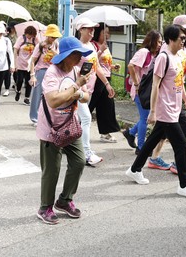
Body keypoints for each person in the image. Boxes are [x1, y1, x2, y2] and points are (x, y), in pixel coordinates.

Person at [125, 24, 186, 199]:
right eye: (181, 38)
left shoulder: (177, 56)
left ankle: (134, 169)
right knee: (181, 144)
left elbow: (177, 81)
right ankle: (184, 185)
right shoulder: (163, 57)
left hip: (176, 107)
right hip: (165, 108)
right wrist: (153, 111)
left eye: (184, 38)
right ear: (171, 39)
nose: (184, 41)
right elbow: (155, 85)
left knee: (152, 140)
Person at [36, 36, 92, 225]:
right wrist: (76, 86)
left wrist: (80, 92)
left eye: (81, 54)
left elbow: (86, 98)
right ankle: (45, 208)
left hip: (70, 126)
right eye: (76, 54)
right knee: (52, 170)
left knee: (78, 162)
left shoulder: (77, 70)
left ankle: (64, 200)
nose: (80, 58)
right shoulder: (52, 73)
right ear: (66, 56)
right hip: (52, 128)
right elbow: (53, 100)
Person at [148, 14, 186, 173]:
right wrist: (153, 110)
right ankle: (179, 168)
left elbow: (179, 78)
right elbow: (159, 80)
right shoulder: (166, 50)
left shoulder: (182, 49)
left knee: (160, 133)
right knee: (180, 131)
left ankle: (148, 161)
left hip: (174, 98)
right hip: (166, 100)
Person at [75, 17, 113, 166]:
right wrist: (79, 82)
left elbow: (96, 67)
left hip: (88, 89)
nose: (92, 32)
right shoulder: (76, 46)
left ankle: (67, 146)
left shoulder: (91, 46)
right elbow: (70, 67)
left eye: (93, 29)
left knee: (76, 120)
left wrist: (107, 84)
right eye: (89, 29)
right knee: (85, 118)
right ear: (81, 30)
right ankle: (86, 153)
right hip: (77, 88)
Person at [123, 30, 163, 153]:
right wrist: (136, 84)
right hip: (140, 91)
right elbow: (131, 66)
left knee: (144, 118)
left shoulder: (153, 55)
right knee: (145, 118)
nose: (160, 45)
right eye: (158, 42)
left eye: (161, 42)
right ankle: (141, 147)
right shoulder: (144, 52)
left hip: (146, 91)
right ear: (152, 41)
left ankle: (130, 133)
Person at [89, 23, 122, 143]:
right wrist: (99, 51)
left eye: (108, 33)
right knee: (90, 105)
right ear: (99, 33)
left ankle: (105, 132)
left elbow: (105, 63)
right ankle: (77, 129)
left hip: (107, 78)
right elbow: (92, 61)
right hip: (97, 79)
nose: (108, 35)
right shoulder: (93, 45)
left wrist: (113, 66)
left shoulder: (105, 46)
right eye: (105, 32)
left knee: (107, 106)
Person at [29, 24, 62, 125]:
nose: (54, 39)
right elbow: (33, 61)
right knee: (37, 94)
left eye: (55, 37)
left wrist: (51, 50)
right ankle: (35, 117)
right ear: (47, 35)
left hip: (53, 71)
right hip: (41, 71)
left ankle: (49, 117)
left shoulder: (56, 45)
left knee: (51, 94)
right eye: (52, 37)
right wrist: (32, 75)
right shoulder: (39, 46)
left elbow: (59, 58)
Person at [14, 25, 37, 104]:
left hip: (30, 64)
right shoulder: (21, 38)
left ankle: (27, 97)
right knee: (19, 80)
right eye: (29, 35)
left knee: (29, 82)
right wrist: (15, 64)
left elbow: (39, 48)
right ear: (26, 33)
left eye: (32, 35)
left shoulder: (35, 40)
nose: (30, 37)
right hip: (20, 63)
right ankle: (18, 91)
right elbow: (15, 50)